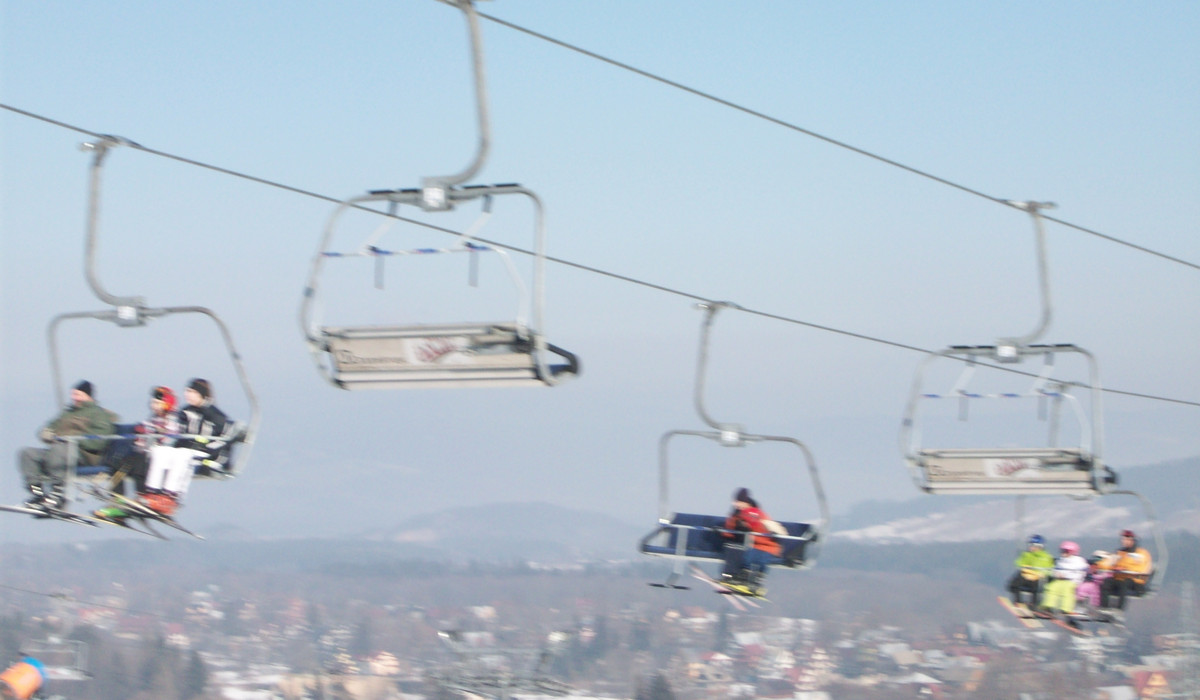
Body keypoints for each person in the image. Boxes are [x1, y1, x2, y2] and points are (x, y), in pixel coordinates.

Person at [16, 380, 116, 511]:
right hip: (58, 451)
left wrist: (73, 441)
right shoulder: (68, 413)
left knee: (59, 450)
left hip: (83, 455)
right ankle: (38, 494)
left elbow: (100, 440)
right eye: (73, 394)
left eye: (77, 394)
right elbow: (50, 427)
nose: (74, 397)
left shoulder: (98, 415)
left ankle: (57, 494)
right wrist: (46, 434)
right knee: (27, 453)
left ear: (87, 396)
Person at [141, 378, 228, 516]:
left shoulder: (214, 415)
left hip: (204, 453)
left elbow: (223, 438)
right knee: (159, 451)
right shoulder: (185, 412)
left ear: (201, 394)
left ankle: (171, 496)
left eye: (191, 392)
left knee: (182, 455)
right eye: (187, 391)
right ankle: (153, 492)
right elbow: (176, 430)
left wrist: (210, 451)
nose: (187, 395)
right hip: (185, 449)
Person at [94, 386, 181, 521]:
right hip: (144, 454)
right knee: (117, 463)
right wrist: (141, 432)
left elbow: (169, 437)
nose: (154, 406)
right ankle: (118, 500)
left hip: (158, 458)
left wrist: (153, 431)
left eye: (158, 403)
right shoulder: (154, 418)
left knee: (130, 463)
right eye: (153, 403)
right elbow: (144, 432)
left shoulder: (171, 419)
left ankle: (138, 500)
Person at [720, 487, 786, 595]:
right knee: (747, 556)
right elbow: (730, 528)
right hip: (753, 544)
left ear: (746, 502)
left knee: (756, 559)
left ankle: (752, 581)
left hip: (763, 544)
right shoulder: (737, 514)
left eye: (740, 502)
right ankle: (745, 580)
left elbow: (763, 525)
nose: (737, 505)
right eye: (736, 502)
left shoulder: (755, 514)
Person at [1100, 529, 1153, 614]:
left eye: (1127, 539)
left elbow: (1143, 568)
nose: (1124, 541)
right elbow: (1109, 564)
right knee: (1106, 582)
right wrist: (1104, 564)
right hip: (1120, 578)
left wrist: (1126, 569)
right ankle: (1104, 608)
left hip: (1135, 581)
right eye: (1123, 539)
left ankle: (1119, 609)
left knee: (1124, 584)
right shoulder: (1120, 552)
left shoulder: (1141, 553)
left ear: (1132, 540)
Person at [1037, 541, 1089, 627]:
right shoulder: (1061, 561)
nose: (1064, 553)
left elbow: (1080, 573)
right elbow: (1055, 570)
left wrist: (1067, 575)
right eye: (1062, 551)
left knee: (1067, 591)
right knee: (1051, 587)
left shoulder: (1079, 561)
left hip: (1072, 581)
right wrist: (1056, 574)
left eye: (1066, 551)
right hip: (1060, 580)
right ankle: (1048, 607)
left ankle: (1065, 609)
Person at [1007, 534, 1054, 606]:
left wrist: (1039, 572)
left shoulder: (1045, 556)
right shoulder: (1027, 555)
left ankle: (1034, 604)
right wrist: (1024, 566)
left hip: (1037, 577)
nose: (1031, 547)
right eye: (1030, 545)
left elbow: (1048, 568)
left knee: (1036, 588)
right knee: (1015, 584)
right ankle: (1018, 601)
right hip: (1027, 575)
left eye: (1033, 545)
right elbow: (1020, 563)